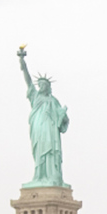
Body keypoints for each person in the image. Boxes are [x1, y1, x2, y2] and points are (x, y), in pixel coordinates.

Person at [18, 46, 70, 188]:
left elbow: (63, 120)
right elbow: (28, 81)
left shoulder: (53, 101)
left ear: (48, 87)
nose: (41, 87)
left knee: (52, 152)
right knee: (40, 151)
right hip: (38, 128)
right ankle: (39, 176)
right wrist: (23, 64)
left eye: (44, 85)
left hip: (51, 130)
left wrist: (63, 116)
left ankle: (53, 176)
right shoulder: (34, 96)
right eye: (39, 85)